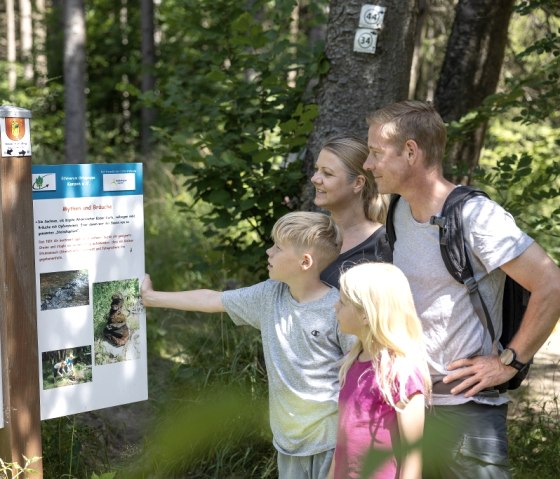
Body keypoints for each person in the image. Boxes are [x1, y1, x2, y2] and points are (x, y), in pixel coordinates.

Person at [363, 100, 560, 478]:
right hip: (410, 405)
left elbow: (551, 284)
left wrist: (510, 362)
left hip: (467, 413)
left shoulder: (476, 217)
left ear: (410, 152)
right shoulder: (399, 211)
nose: (368, 164)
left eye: (375, 153)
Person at [141, 211, 355, 479]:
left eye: (278, 247)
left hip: (330, 442)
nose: (269, 252)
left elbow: (360, 374)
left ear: (305, 261)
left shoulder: (338, 308)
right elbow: (213, 300)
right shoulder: (268, 295)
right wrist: (150, 298)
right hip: (288, 443)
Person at [328, 262, 430, 479]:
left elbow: (413, 458)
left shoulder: (401, 374)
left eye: (342, 302)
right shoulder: (351, 362)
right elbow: (342, 443)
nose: (335, 307)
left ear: (366, 315)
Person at [311, 135, 392, 288]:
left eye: (327, 173)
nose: (315, 179)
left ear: (358, 183)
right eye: (317, 170)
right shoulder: (308, 236)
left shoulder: (384, 245)